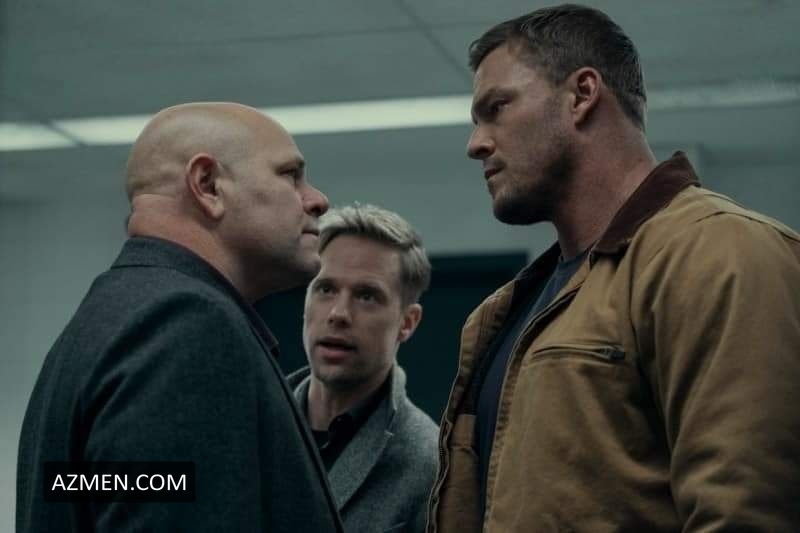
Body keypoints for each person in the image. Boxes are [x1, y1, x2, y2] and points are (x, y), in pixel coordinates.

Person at [426, 4, 800, 532]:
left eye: (497, 108)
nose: (476, 144)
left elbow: (748, 512)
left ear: (581, 94)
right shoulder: (501, 315)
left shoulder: (721, 252)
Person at [17, 102, 344, 532]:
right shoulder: (187, 325)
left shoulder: (103, 321)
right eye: (290, 175)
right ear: (207, 185)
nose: (318, 200)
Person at [288, 203, 439, 533]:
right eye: (326, 289)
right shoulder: (252, 420)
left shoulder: (429, 462)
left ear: (407, 322)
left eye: (366, 296)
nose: (338, 314)